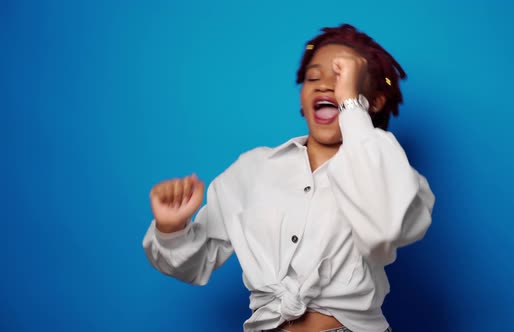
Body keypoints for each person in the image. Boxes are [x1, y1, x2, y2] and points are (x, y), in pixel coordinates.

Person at [143, 23, 435, 332]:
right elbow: (193, 263)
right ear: (301, 97)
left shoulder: (388, 168)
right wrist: (171, 228)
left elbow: (383, 230)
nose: (325, 86)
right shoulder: (254, 168)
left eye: (341, 77)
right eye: (313, 78)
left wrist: (350, 104)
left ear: (373, 101)